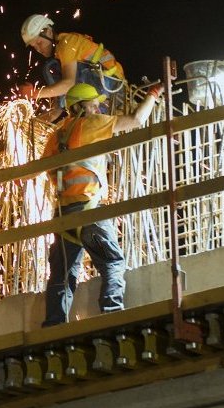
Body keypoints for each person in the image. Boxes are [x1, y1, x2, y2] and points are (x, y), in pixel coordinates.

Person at [39, 82, 161, 326]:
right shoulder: (93, 123)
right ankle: (112, 311)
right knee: (112, 262)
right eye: (94, 105)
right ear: (82, 107)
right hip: (90, 210)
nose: (97, 108)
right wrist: (153, 95)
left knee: (62, 276)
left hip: (63, 217)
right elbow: (137, 119)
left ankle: (53, 326)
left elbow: (47, 171)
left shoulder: (55, 136)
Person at [14, 13, 128, 110]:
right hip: (101, 96)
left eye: (39, 43)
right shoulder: (57, 60)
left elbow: (68, 84)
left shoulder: (67, 44)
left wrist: (34, 93)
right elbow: (56, 110)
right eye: (34, 47)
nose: (38, 49)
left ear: (48, 32)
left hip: (112, 88)